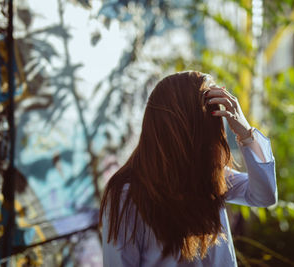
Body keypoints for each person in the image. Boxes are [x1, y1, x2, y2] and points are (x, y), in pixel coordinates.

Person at [99, 71, 277, 266]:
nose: (215, 131)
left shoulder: (208, 177)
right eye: (208, 120)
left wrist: (245, 132)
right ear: (184, 127)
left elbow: (265, 196)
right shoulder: (127, 194)